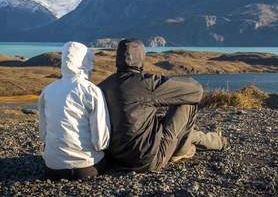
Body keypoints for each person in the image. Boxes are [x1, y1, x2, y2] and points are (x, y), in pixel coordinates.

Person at [99, 38, 227, 172]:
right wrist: (171, 85)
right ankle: (182, 150)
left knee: (166, 125)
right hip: (148, 160)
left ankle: (213, 141)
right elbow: (196, 91)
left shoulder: (103, 85)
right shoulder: (147, 83)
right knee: (187, 102)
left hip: (116, 160)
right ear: (141, 57)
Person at [38, 41, 110, 180]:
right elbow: (100, 141)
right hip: (86, 167)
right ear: (84, 62)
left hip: (53, 169)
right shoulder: (91, 90)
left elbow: (43, 134)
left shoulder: (47, 91)